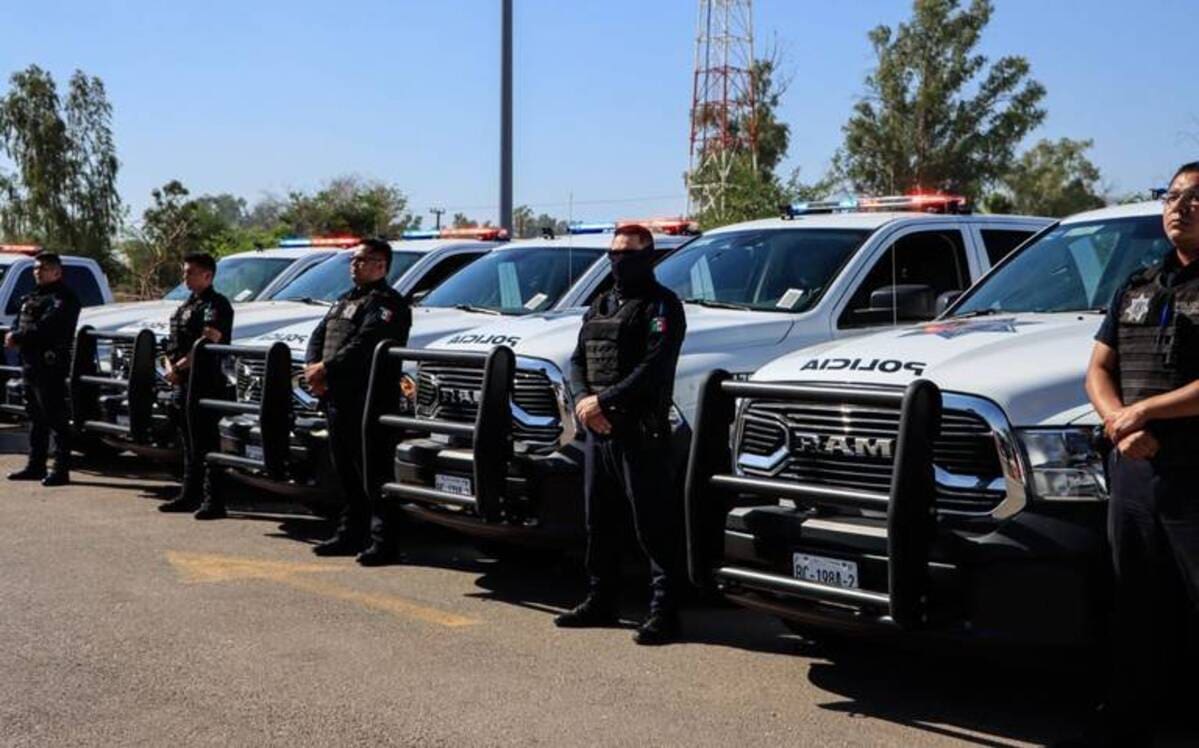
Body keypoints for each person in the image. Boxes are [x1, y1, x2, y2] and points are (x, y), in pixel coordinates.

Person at [1084, 161, 1199, 743]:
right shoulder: (1138, 283)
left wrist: (1145, 412)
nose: (1181, 206)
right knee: (1134, 599)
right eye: (1173, 196)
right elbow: (1098, 369)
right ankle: (1129, 718)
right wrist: (1118, 423)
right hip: (1133, 469)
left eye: (1196, 197)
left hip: (1194, 472)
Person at [556, 224, 689, 645]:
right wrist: (584, 401)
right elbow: (579, 360)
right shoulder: (601, 304)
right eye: (613, 253)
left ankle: (664, 613)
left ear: (647, 257)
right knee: (600, 521)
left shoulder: (662, 305)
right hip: (599, 432)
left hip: (640, 432)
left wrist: (604, 401)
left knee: (653, 526)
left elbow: (654, 367)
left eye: (627, 254)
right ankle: (601, 600)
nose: (618, 261)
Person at [305, 238, 412, 566]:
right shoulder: (345, 299)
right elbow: (320, 335)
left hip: (369, 400)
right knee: (345, 470)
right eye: (353, 260)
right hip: (336, 396)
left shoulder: (388, 304)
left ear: (381, 265)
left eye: (361, 260)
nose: (354, 265)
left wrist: (326, 369)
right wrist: (313, 368)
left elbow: (366, 344)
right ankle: (350, 533)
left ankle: (384, 542)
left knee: (373, 472)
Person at [157, 253, 234, 518]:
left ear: (207, 275)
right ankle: (189, 495)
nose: (185, 277)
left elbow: (207, 342)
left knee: (207, 443)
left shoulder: (216, 305)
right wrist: (170, 367)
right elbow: (171, 342)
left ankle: (214, 501)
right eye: (184, 272)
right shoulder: (185, 305)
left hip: (205, 383)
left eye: (190, 272)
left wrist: (180, 367)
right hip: (181, 382)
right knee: (188, 443)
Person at [5, 252, 81, 486]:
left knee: (56, 419)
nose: (38, 272)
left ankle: (61, 469)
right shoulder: (34, 295)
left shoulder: (64, 298)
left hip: (50, 365)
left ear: (57, 272)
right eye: (36, 268)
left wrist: (18, 336)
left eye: (44, 268)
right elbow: (21, 320)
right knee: (35, 418)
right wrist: (15, 333)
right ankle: (35, 465)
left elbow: (49, 326)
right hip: (30, 363)